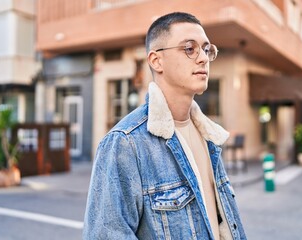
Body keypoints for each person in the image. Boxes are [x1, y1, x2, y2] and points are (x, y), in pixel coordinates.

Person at [83, 12, 246, 240]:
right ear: (156, 60)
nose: (203, 58)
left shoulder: (209, 136)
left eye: (206, 49)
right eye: (189, 48)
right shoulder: (125, 142)